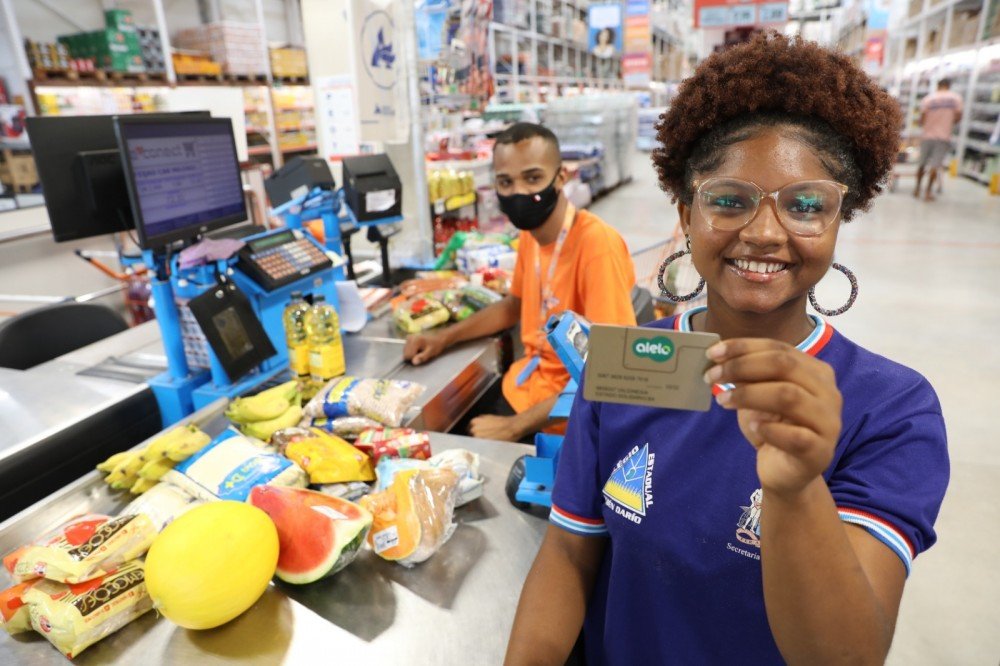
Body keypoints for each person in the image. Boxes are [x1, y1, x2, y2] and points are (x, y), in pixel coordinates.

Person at [506, 33, 949, 664]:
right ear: (685, 215)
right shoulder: (628, 365)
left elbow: (848, 656)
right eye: (729, 201)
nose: (766, 233)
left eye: (805, 205)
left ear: (836, 223)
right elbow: (570, 552)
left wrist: (796, 489)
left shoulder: (891, 409)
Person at [404, 123, 636, 443]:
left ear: (561, 177)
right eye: (505, 182)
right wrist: (443, 338)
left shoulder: (597, 245)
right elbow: (514, 306)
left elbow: (612, 370)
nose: (519, 193)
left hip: (564, 422)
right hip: (523, 388)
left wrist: (515, 427)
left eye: (532, 178)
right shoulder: (531, 235)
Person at [915, 78, 963, 201]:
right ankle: (927, 192)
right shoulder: (956, 99)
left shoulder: (928, 99)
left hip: (927, 135)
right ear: (948, 85)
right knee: (935, 165)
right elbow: (958, 118)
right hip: (943, 136)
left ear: (938, 85)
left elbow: (922, 120)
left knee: (922, 164)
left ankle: (917, 189)